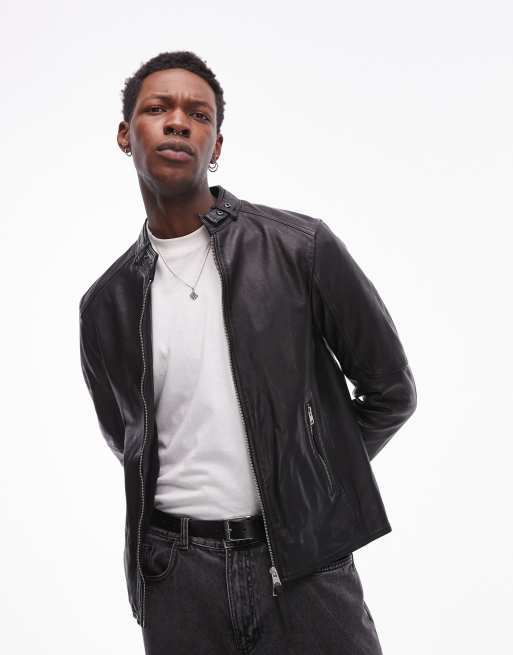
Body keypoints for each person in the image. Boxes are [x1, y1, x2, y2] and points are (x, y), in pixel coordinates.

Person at [79, 50, 417, 655]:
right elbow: (127, 437)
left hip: (303, 563)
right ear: (126, 135)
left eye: (198, 114)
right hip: (175, 577)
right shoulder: (106, 304)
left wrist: (304, 475)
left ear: (216, 144)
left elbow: (390, 391)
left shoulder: (298, 247)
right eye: (158, 109)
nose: (178, 122)